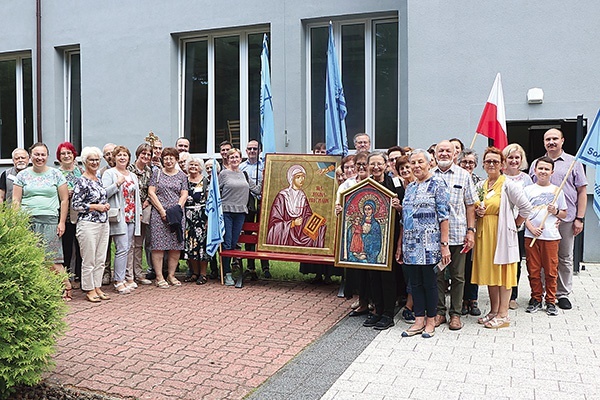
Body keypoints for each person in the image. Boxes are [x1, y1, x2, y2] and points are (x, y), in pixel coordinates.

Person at [473, 147, 532, 329]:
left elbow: (526, 208)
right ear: (483, 164)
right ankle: (493, 310)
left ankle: (503, 315)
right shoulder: (481, 185)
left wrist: (515, 224)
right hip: (485, 235)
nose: (491, 164)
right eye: (488, 161)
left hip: (501, 234)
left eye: (495, 161)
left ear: (503, 165)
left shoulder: (508, 184)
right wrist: (477, 211)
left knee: (503, 273)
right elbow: (474, 206)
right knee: (491, 273)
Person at [529, 128, 587, 310]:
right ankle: (543, 294)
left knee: (564, 257)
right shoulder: (536, 164)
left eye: (555, 138)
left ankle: (562, 294)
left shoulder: (573, 163)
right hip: (542, 221)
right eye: (548, 139)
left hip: (566, 218)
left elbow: (582, 191)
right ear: (544, 142)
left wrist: (580, 217)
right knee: (542, 259)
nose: (551, 142)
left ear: (562, 140)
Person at [397, 149, 450, 338]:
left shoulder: (438, 184)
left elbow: (444, 216)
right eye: (413, 163)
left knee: (430, 283)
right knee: (415, 283)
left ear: (429, 163)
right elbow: (405, 218)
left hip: (431, 244)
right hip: (411, 244)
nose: (416, 166)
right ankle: (418, 320)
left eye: (420, 162)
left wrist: (444, 244)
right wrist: (400, 246)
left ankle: (430, 321)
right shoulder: (410, 187)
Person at [12, 142, 71, 300]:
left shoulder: (56, 174)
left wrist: (62, 222)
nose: (40, 158)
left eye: (43, 154)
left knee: (53, 257)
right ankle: (37, 290)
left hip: (50, 220)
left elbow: (64, 200)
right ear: (31, 156)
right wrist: (17, 221)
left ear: (47, 156)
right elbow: (16, 200)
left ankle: (66, 286)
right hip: (27, 221)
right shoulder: (22, 175)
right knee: (31, 258)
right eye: (36, 154)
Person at [432, 140, 477, 331]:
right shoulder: (429, 175)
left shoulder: (464, 175)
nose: (443, 154)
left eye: (447, 151)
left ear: (455, 154)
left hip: (458, 234)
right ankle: (440, 312)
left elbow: (470, 206)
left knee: (458, 276)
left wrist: (471, 231)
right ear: (435, 154)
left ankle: (456, 314)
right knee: (438, 275)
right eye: (440, 150)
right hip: (433, 236)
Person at [362, 151, 404, 331]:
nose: (376, 167)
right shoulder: (364, 186)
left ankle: (388, 314)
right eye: (373, 164)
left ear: (386, 165)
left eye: (380, 164)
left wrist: (399, 207)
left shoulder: (395, 184)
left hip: (390, 237)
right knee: (373, 276)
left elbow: (405, 210)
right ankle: (377, 310)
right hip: (370, 239)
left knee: (388, 276)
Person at [524, 156, 567, 316]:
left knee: (550, 270)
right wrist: (531, 227)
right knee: (533, 269)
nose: (543, 171)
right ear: (535, 170)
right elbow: (523, 212)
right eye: (540, 168)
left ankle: (550, 300)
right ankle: (535, 298)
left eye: (546, 169)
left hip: (551, 236)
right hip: (532, 235)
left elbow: (564, 213)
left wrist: (555, 211)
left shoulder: (557, 190)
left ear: (552, 172)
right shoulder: (528, 190)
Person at [71, 147, 112, 303]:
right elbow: (76, 204)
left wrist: (104, 205)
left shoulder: (98, 178)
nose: (95, 162)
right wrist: (96, 207)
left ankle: (97, 286)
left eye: (97, 160)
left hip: (103, 222)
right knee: (89, 259)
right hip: (88, 224)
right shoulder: (82, 180)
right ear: (85, 161)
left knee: (100, 258)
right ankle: (88, 289)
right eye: (91, 160)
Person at [219, 148, 262, 286]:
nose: (234, 159)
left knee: (234, 243)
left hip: (241, 213)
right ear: (228, 159)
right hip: (227, 212)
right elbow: (215, 192)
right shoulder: (223, 174)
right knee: (227, 243)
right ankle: (227, 274)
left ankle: (231, 270)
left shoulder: (244, 174)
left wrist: (267, 175)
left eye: (236, 157)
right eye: (231, 157)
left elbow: (257, 190)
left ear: (240, 158)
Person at [103, 145, 141, 294]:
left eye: (125, 155)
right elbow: (104, 193)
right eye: (119, 155)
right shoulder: (109, 173)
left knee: (128, 247)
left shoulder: (132, 175)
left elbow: (136, 197)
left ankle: (125, 277)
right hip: (118, 216)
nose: (122, 157)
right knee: (122, 248)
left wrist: (138, 214)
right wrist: (117, 183)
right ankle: (118, 281)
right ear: (114, 157)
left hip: (131, 216)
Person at [147, 147, 188, 288]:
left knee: (175, 246)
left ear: (176, 159)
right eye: (166, 158)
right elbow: (151, 192)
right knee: (158, 246)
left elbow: (184, 194)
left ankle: (171, 275)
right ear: (162, 160)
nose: (169, 161)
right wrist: (162, 211)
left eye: (171, 158)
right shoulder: (157, 174)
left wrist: (177, 209)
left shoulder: (182, 175)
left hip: (176, 214)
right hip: (159, 215)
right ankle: (159, 276)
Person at [502, 143, 533, 310]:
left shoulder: (526, 179)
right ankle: (500, 293)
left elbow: (528, 205)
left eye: (517, 158)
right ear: (504, 160)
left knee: (515, 261)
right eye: (510, 157)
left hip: (518, 226)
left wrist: (518, 223)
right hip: (500, 227)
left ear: (522, 160)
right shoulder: (500, 177)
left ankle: (512, 295)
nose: (513, 161)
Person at [266, 164, 325, 248]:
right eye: (298, 177)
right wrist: (293, 223)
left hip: (301, 231)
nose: (302, 179)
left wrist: (317, 222)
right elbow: (275, 221)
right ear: (291, 179)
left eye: (303, 177)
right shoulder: (282, 196)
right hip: (287, 233)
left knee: (320, 228)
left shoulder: (302, 196)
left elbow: (307, 215)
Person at [240, 139, 270, 279]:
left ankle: (265, 267)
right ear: (246, 151)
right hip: (248, 205)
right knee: (248, 234)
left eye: (255, 149)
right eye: (249, 149)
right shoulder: (241, 167)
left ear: (260, 151)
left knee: (263, 234)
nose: (252, 151)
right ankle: (250, 267)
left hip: (263, 204)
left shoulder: (265, 165)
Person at [457, 148, 482, 316]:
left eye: (471, 162)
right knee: (460, 268)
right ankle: (460, 301)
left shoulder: (480, 183)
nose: (468, 165)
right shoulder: (455, 178)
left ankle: (471, 299)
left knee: (473, 266)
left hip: (476, 229)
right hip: (458, 229)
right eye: (464, 162)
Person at [56, 142, 84, 288]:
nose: (66, 156)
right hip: (64, 215)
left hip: (80, 214)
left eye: (69, 153)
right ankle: (66, 277)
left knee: (80, 246)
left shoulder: (80, 170)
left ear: (74, 155)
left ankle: (79, 277)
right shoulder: (56, 173)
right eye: (63, 153)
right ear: (59, 157)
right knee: (66, 247)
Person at [127, 143, 153, 285]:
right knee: (129, 243)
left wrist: (147, 201)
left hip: (144, 208)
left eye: (148, 154)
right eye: (143, 153)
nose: (145, 156)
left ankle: (138, 273)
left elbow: (153, 189)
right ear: (138, 154)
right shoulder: (129, 170)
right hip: (130, 208)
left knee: (139, 243)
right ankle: (128, 273)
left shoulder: (150, 171)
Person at [183, 155, 211, 284]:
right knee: (190, 244)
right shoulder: (184, 180)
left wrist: (207, 219)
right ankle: (194, 273)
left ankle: (203, 274)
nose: (193, 167)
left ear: (200, 168)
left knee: (202, 245)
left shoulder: (205, 181)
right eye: (191, 164)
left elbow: (209, 201)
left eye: (196, 165)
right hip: (187, 216)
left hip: (201, 216)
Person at [205, 159, 221, 280]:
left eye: (212, 167)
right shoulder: (205, 181)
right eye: (208, 168)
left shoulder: (220, 180)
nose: (210, 170)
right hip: (206, 216)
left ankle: (223, 270)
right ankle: (213, 268)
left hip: (219, 215)